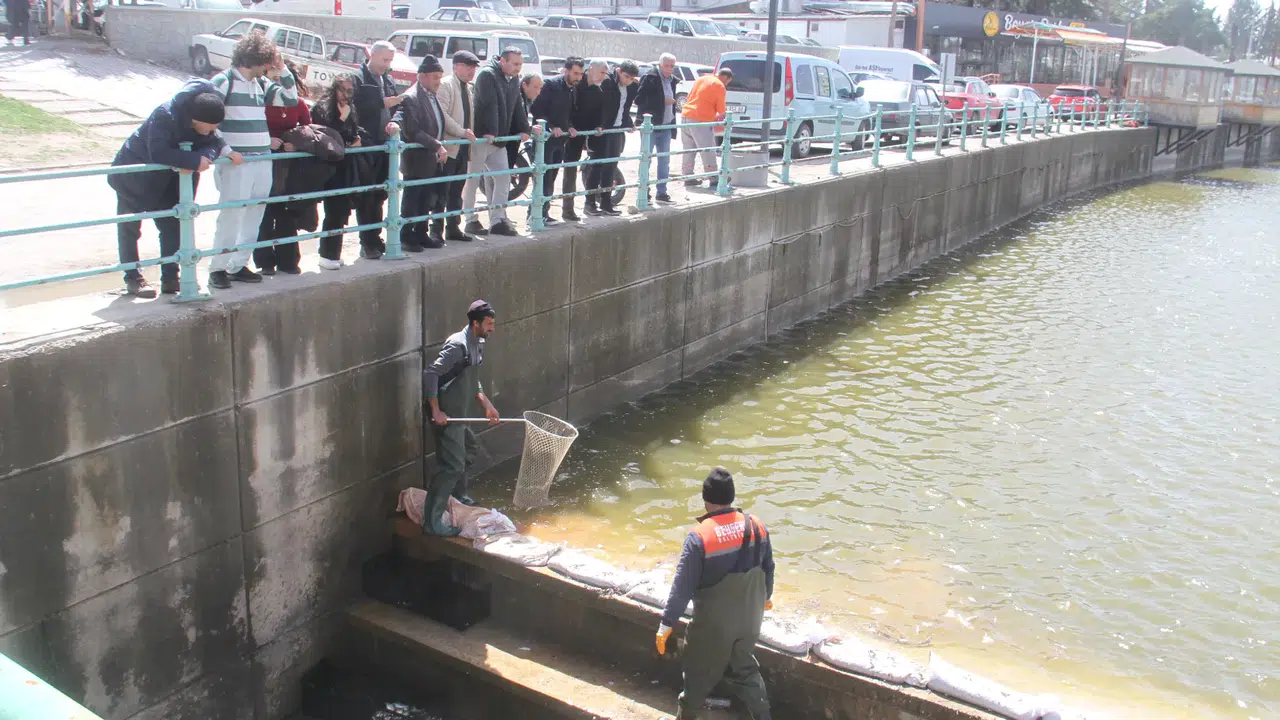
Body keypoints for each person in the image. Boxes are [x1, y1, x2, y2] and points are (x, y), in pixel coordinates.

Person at [658, 468, 774, 720]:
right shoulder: (757, 526)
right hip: (751, 619)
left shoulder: (700, 536)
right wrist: (766, 599)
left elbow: (682, 587)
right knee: (745, 669)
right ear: (731, 496)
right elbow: (768, 569)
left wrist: (667, 624)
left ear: (705, 498)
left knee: (698, 675)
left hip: (714, 626)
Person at [107, 81, 236, 297]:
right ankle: (133, 278)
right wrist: (193, 160)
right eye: (210, 126)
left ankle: (170, 277)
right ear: (196, 120)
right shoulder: (165, 115)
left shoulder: (203, 120)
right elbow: (158, 152)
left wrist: (201, 158)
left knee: (171, 228)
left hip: (168, 182)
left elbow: (213, 144)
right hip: (134, 177)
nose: (213, 131)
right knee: (130, 229)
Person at [207, 32, 299, 291]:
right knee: (231, 214)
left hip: (262, 159)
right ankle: (218, 267)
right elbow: (206, 117)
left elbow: (291, 99)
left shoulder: (261, 85)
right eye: (268, 61)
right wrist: (225, 149)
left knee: (255, 213)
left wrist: (283, 70)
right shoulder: (224, 81)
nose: (270, 66)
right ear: (256, 58)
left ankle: (238, 264)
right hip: (238, 161)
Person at [423, 300, 502, 536]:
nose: (492, 329)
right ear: (475, 323)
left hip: (461, 414)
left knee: (469, 449)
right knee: (451, 466)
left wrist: (485, 402)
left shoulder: (478, 343)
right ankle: (432, 522)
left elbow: (472, 376)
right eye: (489, 324)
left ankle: (458, 497)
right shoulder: (457, 346)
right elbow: (431, 374)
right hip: (447, 417)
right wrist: (436, 410)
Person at [463, 47, 531, 238]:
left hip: (498, 140)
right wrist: (489, 131)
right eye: (515, 64)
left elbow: (517, 104)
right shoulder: (487, 75)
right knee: (472, 179)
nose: (518, 68)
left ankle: (497, 220)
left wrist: (524, 128)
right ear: (503, 60)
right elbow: (488, 104)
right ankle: (470, 220)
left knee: (503, 177)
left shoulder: (513, 79)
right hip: (481, 137)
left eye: (520, 64)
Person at [253, 59, 312, 276]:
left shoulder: (299, 103)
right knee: (265, 212)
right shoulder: (261, 100)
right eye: (273, 77)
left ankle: (289, 261)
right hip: (264, 158)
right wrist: (267, 140)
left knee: (287, 213)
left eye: (281, 78)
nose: (276, 83)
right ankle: (265, 261)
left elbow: (309, 129)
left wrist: (296, 143)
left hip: (289, 164)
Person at [311, 73, 376, 270]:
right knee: (334, 211)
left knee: (342, 211)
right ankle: (327, 253)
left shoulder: (350, 108)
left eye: (350, 91)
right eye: (342, 90)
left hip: (348, 166)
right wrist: (342, 119)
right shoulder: (322, 108)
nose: (346, 95)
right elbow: (326, 135)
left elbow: (354, 131)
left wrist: (357, 139)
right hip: (330, 167)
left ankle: (334, 253)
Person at [351, 40, 404, 260]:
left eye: (390, 60)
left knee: (382, 194)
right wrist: (382, 103)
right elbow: (355, 109)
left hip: (385, 145)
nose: (387, 64)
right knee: (367, 196)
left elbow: (398, 107)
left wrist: (396, 119)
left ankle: (376, 238)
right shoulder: (358, 79)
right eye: (384, 59)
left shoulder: (389, 79)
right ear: (371, 56)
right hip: (367, 144)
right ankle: (367, 241)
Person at [392, 55, 449, 250]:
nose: (438, 82)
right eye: (434, 77)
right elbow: (413, 131)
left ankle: (421, 234)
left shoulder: (431, 95)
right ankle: (407, 237)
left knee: (426, 198)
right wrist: (437, 145)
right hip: (417, 159)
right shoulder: (412, 97)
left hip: (431, 159)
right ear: (422, 76)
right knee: (412, 200)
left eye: (439, 77)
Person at [529, 57, 583, 226]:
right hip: (545, 140)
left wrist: (570, 127)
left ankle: (544, 212)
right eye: (575, 73)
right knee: (542, 179)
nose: (578, 77)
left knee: (551, 178)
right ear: (566, 70)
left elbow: (567, 114)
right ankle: (535, 215)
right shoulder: (550, 85)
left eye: (581, 74)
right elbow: (536, 110)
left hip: (560, 141)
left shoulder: (572, 90)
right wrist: (551, 127)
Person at [437, 50, 481, 242]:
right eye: (468, 66)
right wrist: (462, 132)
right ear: (456, 66)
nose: (472, 70)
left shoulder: (467, 87)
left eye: (474, 67)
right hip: (450, 145)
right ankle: (436, 230)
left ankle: (453, 227)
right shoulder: (446, 85)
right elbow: (442, 114)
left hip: (462, 148)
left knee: (457, 190)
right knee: (442, 190)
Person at [586, 60, 638, 217]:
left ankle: (606, 202)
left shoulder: (631, 87)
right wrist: (598, 124)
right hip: (602, 131)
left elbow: (625, 108)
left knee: (611, 167)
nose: (627, 80)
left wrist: (629, 123)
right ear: (619, 71)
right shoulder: (607, 82)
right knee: (596, 166)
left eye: (631, 78)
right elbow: (597, 106)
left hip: (617, 130)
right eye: (626, 76)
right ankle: (589, 203)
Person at [634, 53, 680, 203]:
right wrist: (663, 101)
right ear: (660, 65)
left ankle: (662, 192)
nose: (669, 69)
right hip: (651, 125)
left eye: (672, 66)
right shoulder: (650, 77)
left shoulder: (672, 80)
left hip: (666, 125)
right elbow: (639, 99)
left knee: (664, 160)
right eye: (666, 66)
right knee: (646, 159)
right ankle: (644, 192)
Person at [565, 59, 605, 219]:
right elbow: (567, 109)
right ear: (592, 69)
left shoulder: (597, 91)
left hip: (582, 135)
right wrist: (568, 126)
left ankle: (569, 209)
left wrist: (598, 126)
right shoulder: (575, 88)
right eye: (601, 72)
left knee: (573, 171)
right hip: (568, 133)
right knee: (558, 172)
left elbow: (598, 114)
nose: (603, 76)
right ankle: (551, 210)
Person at [681, 68, 732, 188]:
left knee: (688, 149)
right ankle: (714, 177)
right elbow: (721, 109)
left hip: (686, 116)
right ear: (727, 78)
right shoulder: (719, 85)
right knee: (708, 149)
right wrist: (725, 121)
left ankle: (688, 176)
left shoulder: (701, 79)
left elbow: (690, 96)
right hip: (701, 119)